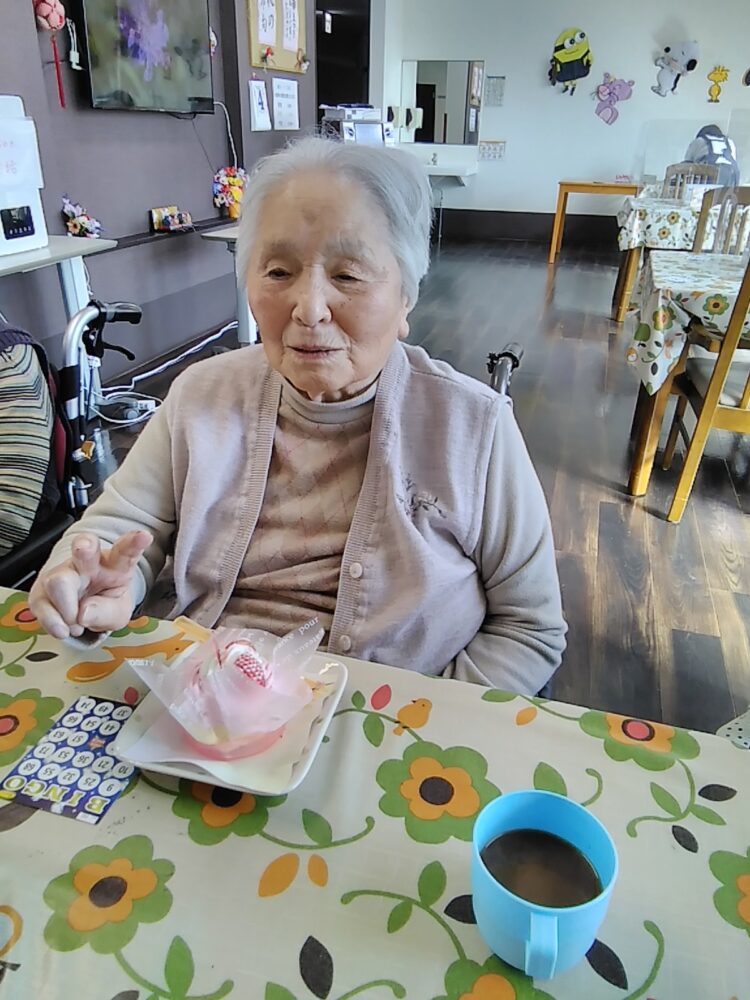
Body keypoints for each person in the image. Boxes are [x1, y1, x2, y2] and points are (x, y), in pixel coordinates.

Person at [29, 137, 566, 694]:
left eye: (348, 276)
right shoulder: (200, 396)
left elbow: (529, 627)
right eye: (279, 272)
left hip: (388, 715)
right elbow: (119, 529)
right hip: (202, 701)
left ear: (406, 297)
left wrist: (419, 718)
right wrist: (87, 577)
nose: (308, 310)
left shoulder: (474, 427)